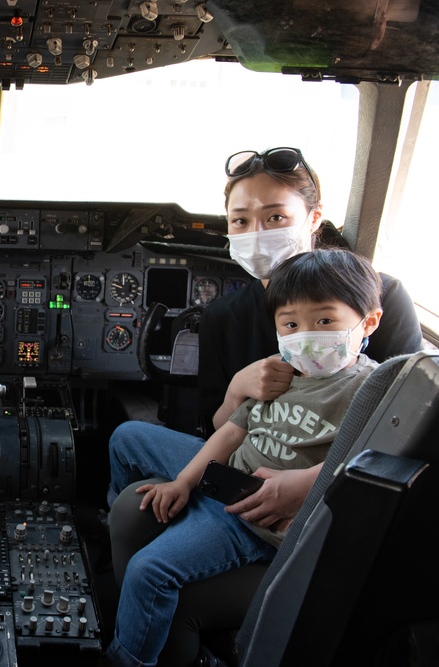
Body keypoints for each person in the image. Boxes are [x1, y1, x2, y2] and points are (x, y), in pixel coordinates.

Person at [104, 147, 423, 664]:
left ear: (313, 219)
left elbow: (405, 432)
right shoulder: (229, 312)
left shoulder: (374, 299)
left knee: (152, 557)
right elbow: (223, 426)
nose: (258, 232)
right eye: (241, 220)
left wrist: (310, 484)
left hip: (315, 495)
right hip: (243, 462)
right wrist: (237, 389)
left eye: (275, 217)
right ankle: (134, 545)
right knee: (127, 438)